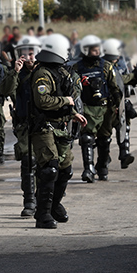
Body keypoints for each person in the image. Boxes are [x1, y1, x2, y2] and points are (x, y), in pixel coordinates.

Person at [29, 34, 87, 229]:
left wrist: (73, 114)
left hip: (61, 125)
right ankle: (42, 215)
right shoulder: (42, 74)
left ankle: (54, 205)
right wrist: (67, 102)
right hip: (43, 126)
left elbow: (65, 96)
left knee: (66, 169)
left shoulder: (61, 72)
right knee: (49, 168)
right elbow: (43, 101)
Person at [71, 35, 123, 182]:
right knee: (87, 139)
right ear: (86, 50)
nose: (97, 52)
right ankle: (89, 169)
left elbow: (115, 88)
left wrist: (119, 106)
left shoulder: (106, 66)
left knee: (104, 140)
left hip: (105, 109)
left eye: (98, 50)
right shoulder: (76, 68)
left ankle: (102, 167)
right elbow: (72, 89)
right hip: (86, 109)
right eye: (94, 50)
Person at [9, 35, 41, 217]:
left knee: (45, 163)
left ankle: (43, 198)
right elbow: (6, 90)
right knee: (28, 161)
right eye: (25, 54)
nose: (28, 57)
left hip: (44, 124)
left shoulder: (45, 71)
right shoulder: (16, 74)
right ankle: (29, 200)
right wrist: (14, 72)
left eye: (31, 53)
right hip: (24, 125)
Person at [103, 39, 137, 170]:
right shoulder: (104, 67)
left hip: (117, 103)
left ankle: (124, 154)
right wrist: (134, 76)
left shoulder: (115, 65)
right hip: (106, 106)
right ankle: (104, 159)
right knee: (104, 135)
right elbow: (118, 80)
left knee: (124, 124)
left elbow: (121, 80)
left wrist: (135, 76)